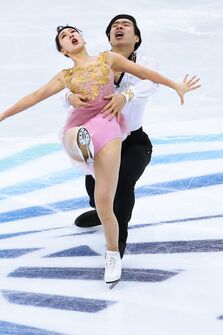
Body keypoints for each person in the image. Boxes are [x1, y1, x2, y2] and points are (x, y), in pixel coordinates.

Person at [0, 24, 200, 288]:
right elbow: (35, 96)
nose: (70, 36)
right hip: (80, 125)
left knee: (103, 202)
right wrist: (1, 116)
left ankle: (112, 253)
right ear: (63, 50)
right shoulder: (65, 76)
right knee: (74, 136)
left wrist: (176, 85)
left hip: (108, 125)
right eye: (64, 36)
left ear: (82, 38)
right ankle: (85, 147)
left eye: (73, 32)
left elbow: (144, 73)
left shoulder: (108, 59)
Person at [70, 15, 158, 259]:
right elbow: (67, 89)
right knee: (94, 187)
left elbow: (152, 83)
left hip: (134, 142)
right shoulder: (95, 65)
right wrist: (71, 98)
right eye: (114, 26)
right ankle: (100, 211)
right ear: (109, 37)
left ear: (136, 38)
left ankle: (118, 240)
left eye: (125, 24)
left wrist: (125, 95)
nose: (119, 27)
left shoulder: (146, 63)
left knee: (122, 184)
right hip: (102, 141)